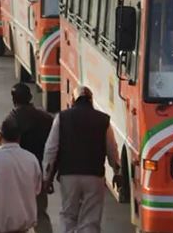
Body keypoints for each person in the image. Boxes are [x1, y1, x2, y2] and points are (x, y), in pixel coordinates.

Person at [43, 86, 121, 233]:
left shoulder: (62, 118)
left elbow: (51, 149)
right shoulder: (103, 120)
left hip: (69, 175)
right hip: (94, 176)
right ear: (91, 100)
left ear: (73, 100)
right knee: (90, 219)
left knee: (68, 215)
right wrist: (117, 171)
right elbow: (112, 149)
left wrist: (47, 177)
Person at [0, 83, 54, 233]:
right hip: (39, 173)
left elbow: (0, 150)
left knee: (15, 216)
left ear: (13, 99)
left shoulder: (10, 120)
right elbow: (54, 148)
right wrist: (50, 176)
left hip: (15, 175)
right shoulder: (46, 118)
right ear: (30, 97)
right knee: (40, 214)